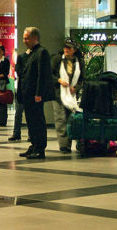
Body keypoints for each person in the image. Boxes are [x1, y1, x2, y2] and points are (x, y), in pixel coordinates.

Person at [17, 27, 55, 159]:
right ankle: (33, 145)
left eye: (27, 38)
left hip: (35, 95)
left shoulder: (42, 52)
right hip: (27, 94)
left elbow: (42, 75)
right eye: (24, 38)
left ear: (35, 38)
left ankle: (40, 148)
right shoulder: (29, 54)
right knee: (30, 121)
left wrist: (39, 93)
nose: (24, 41)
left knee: (38, 121)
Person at [51, 38, 84, 153]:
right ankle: (64, 146)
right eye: (65, 47)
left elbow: (82, 79)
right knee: (61, 119)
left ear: (74, 50)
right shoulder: (57, 59)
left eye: (69, 48)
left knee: (71, 119)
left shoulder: (79, 62)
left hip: (71, 95)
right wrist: (59, 80)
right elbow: (50, 75)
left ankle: (70, 142)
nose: (66, 49)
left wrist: (76, 88)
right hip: (58, 94)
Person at [9, 50, 28, 142]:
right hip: (20, 91)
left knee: (28, 114)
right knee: (18, 113)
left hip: (27, 91)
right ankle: (16, 133)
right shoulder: (20, 64)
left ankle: (30, 135)